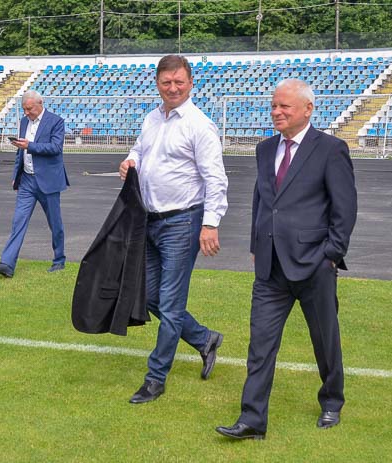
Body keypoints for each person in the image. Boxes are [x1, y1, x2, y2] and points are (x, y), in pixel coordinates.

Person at [215, 79, 357, 440]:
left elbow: (344, 209)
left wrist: (331, 255)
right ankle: (252, 420)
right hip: (270, 266)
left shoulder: (331, 149)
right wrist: (255, 243)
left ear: (307, 109)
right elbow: (263, 202)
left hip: (314, 265)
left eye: (285, 107)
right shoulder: (265, 150)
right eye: (274, 106)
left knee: (325, 339)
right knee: (260, 344)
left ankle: (332, 401)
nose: (277, 112)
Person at [118, 55, 229, 404]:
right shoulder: (152, 119)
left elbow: (216, 179)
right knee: (151, 296)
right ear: (158, 83)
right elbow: (140, 151)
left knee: (169, 301)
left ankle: (155, 377)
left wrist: (210, 223)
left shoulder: (199, 125)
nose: (173, 88)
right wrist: (130, 161)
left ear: (191, 83)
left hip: (183, 222)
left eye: (179, 81)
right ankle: (203, 338)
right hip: (148, 220)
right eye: (166, 82)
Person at [0, 90, 68, 277]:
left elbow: (56, 148)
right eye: (24, 109)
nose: (26, 113)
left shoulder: (56, 122)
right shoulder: (24, 122)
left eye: (29, 109)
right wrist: (17, 173)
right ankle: (7, 264)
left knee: (55, 223)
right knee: (18, 222)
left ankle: (59, 260)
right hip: (27, 181)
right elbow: (20, 152)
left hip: (48, 181)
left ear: (40, 104)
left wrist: (29, 146)